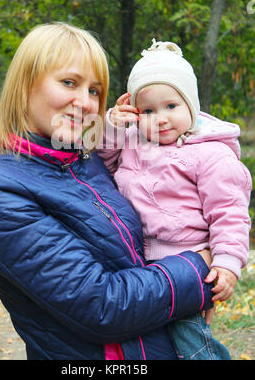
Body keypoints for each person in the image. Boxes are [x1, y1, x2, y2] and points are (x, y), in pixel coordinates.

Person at [0, 23, 215, 361]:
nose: (84, 102)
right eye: (69, 82)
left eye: (95, 90)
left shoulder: (87, 161)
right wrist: (201, 267)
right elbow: (104, 306)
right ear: (25, 85)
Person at [98, 38, 252, 360]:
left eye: (171, 106)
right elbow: (102, 163)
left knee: (190, 342)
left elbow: (228, 213)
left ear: (191, 105)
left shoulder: (209, 154)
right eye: (149, 110)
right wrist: (112, 126)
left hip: (189, 262)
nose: (161, 118)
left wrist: (227, 263)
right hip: (142, 266)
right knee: (155, 344)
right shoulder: (132, 142)